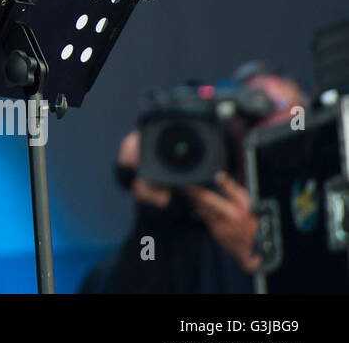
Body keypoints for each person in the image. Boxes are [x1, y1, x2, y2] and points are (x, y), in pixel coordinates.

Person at [84, 62, 308, 293]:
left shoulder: (311, 208)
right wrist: (151, 215)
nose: (262, 124)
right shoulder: (196, 224)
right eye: (246, 113)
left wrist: (257, 257)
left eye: (278, 106)